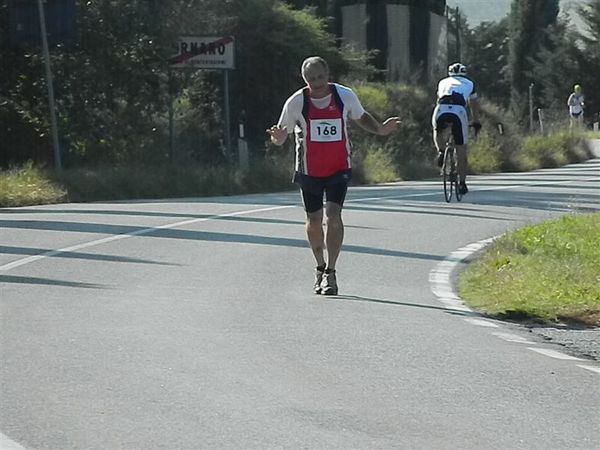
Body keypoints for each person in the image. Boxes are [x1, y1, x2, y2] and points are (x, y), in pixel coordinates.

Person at [267, 56, 400, 295]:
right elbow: (281, 135)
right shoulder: (296, 102)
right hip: (309, 171)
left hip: (339, 168)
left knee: (334, 215)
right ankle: (319, 266)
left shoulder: (344, 95)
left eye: (320, 77)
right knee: (314, 220)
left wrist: (380, 129)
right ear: (304, 79)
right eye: (311, 79)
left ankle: (331, 272)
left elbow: (361, 117)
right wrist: (277, 137)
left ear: (327, 74)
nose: (317, 83)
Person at [431, 62, 480, 195]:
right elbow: (474, 105)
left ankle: (441, 151)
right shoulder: (470, 84)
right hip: (459, 110)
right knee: (461, 149)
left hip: (441, 108)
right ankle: (462, 183)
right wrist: (476, 122)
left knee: (437, 129)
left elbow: (438, 98)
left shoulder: (442, 82)